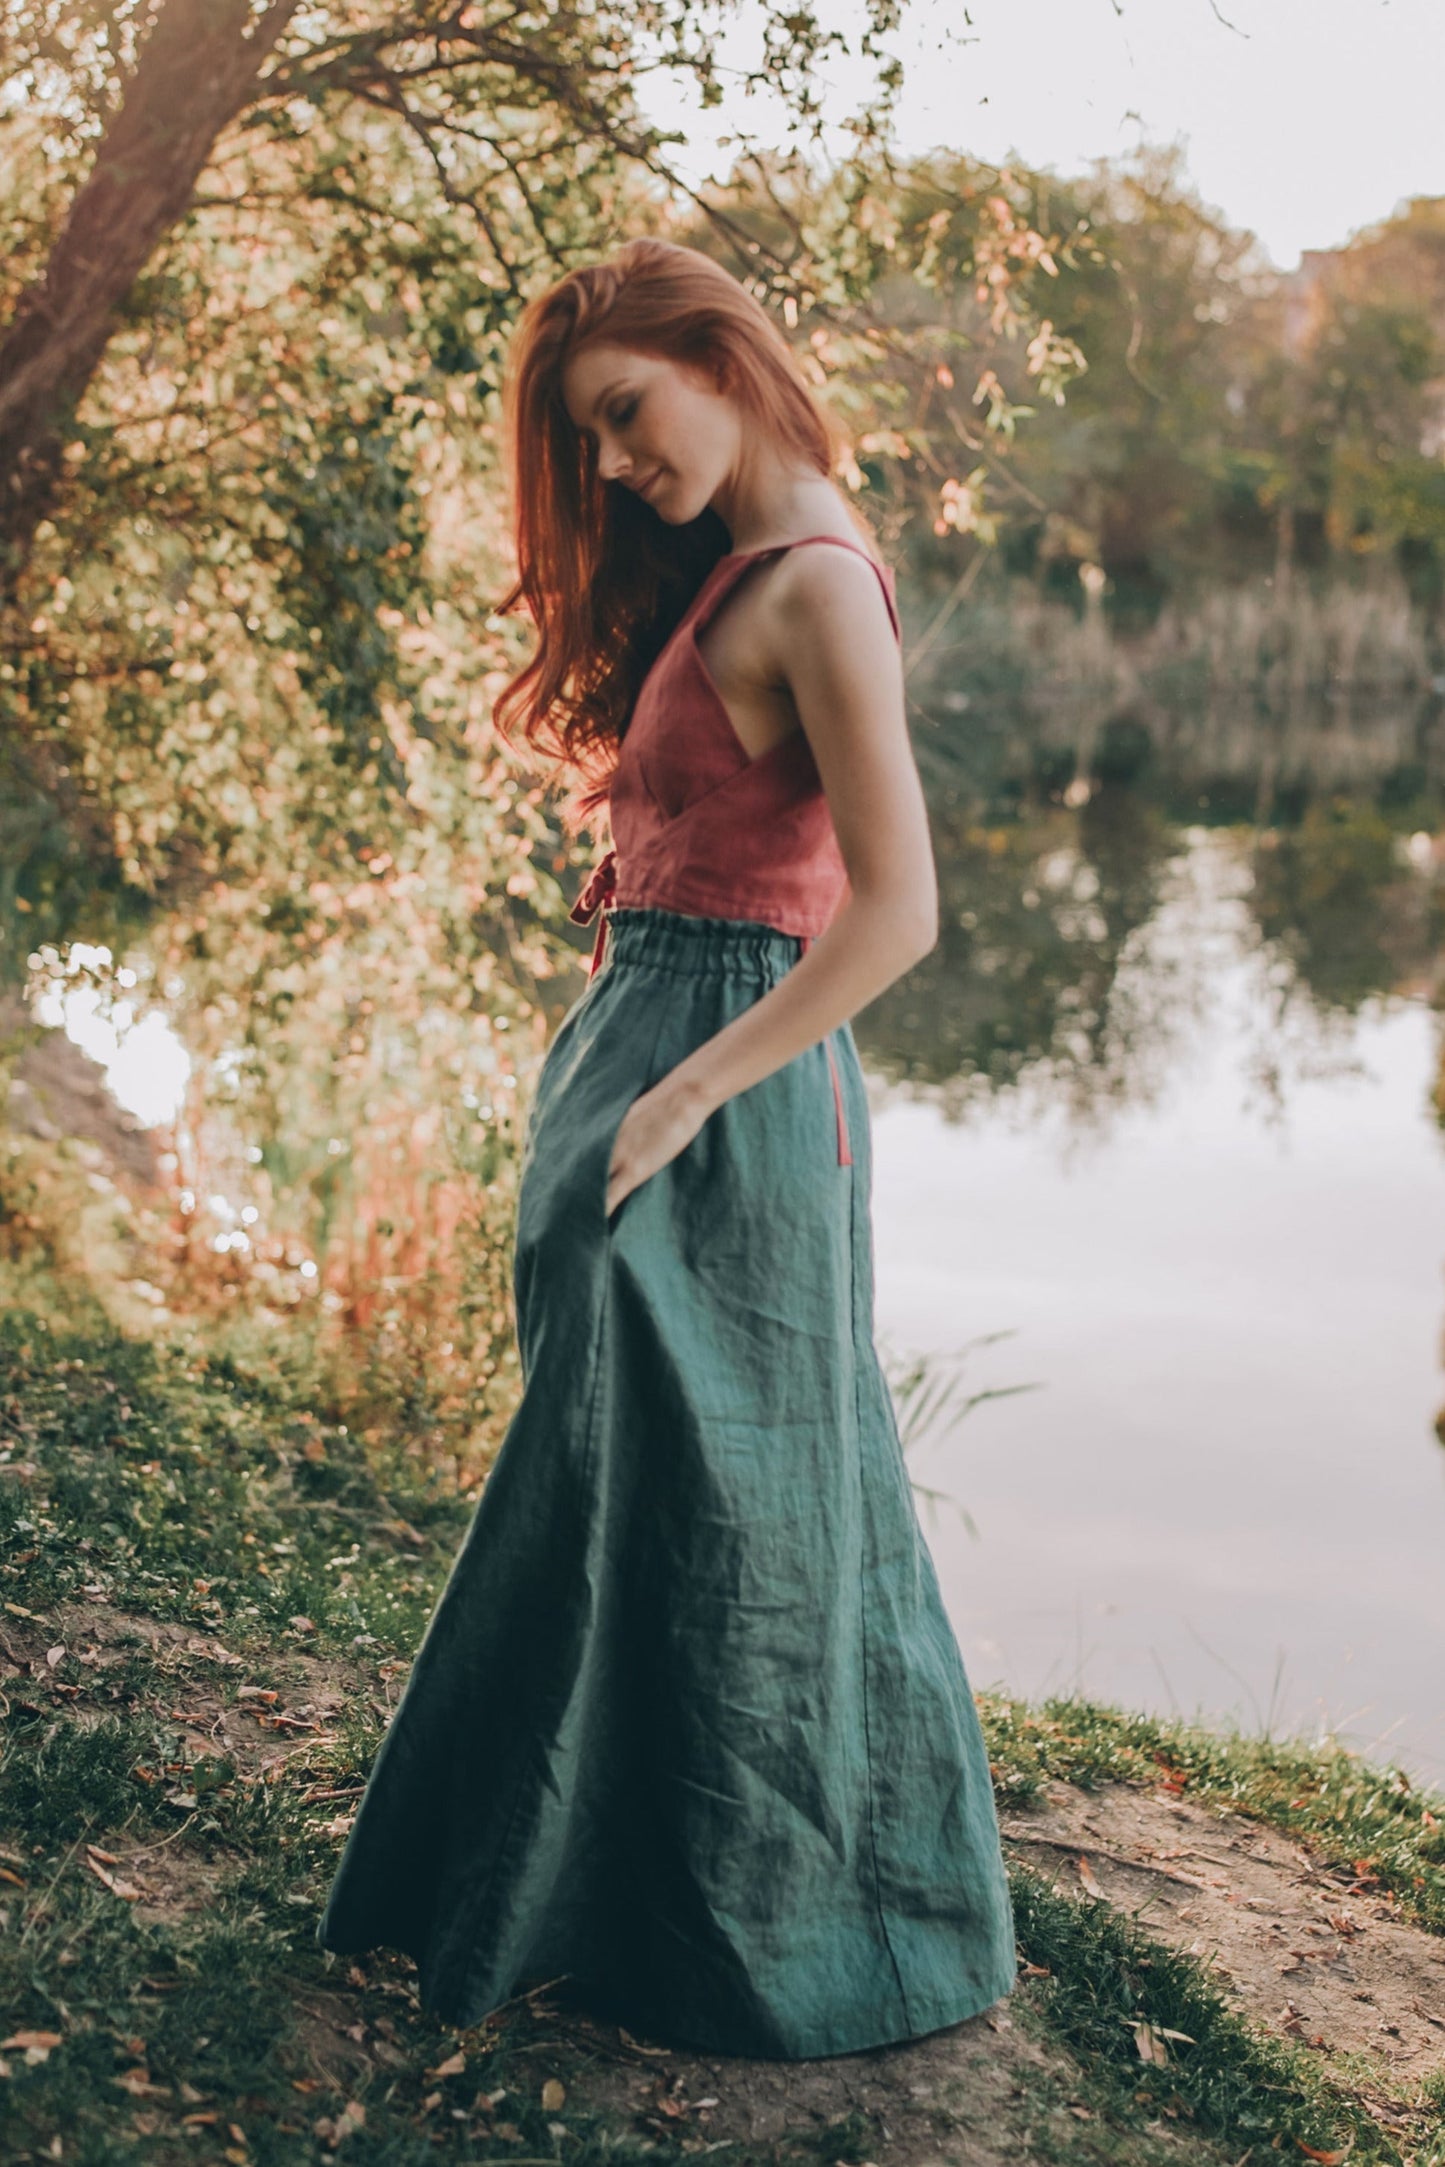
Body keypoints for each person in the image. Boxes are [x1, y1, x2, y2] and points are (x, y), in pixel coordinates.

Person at [317, 236, 1016, 2059]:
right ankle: (592, 1894)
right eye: (595, 442)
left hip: (721, 1092)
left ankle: (777, 1927)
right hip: (656, 1056)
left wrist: (690, 1090)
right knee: (624, 1487)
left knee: (742, 1505)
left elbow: (897, 913)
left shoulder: (816, 586)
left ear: (719, 353)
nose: (618, 464)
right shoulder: (736, 575)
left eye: (626, 414)